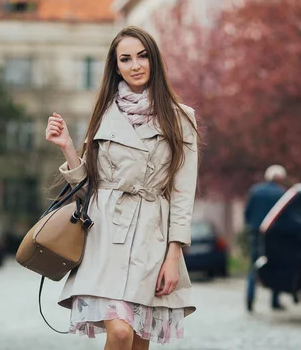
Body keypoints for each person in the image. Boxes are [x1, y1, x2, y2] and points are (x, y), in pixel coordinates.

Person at [45, 26, 199, 349]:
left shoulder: (180, 119)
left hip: (151, 240)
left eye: (142, 56)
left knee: (140, 342)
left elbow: (184, 193)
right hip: (106, 236)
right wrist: (67, 147)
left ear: (154, 60)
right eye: (125, 59)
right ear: (116, 67)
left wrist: (174, 255)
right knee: (120, 332)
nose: (135, 65)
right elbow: (88, 185)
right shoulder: (104, 113)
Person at [244, 164, 288, 312]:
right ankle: (275, 301)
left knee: (254, 265)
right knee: (275, 264)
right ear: (280, 178)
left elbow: (247, 213)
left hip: (256, 232)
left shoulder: (255, 191)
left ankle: (250, 298)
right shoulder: (281, 193)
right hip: (273, 234)